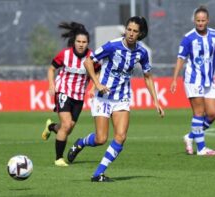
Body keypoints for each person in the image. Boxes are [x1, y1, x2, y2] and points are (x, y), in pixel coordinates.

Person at [67, 16, 165, 182]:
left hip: (122, 98)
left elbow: (147, 77)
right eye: (129, 29)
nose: (131, 33)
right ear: (125, 29)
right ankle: (80, 143)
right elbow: (88, 62)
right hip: (103, 97)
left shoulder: (142, 52)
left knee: (120, 136)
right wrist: (96, 84)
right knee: (101, 139)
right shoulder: (112, 46)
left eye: (135, 31)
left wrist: (156, 101)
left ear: (140, 33)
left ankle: (98, 173)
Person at [170, 6, 215, 156]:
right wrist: (174, 79)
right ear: (194, 20)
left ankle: (190, 136)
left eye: (203, 20)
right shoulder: (188, 38)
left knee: (212, 114)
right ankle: (201, 148)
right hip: (193, 80)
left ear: (208, 20)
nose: (200, 23)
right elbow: (181, 59)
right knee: (199, 112)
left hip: (209, 80)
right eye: (198, 20)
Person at [41, 21, 100, 166]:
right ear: (74, 42)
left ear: (88, 43)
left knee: (67, 129)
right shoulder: (65, 54)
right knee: (66, 125)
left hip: (79, 96)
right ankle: (58, 159)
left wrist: (93, 87)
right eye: (78, 41)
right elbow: (51, 69)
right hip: (63, 91)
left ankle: (51, 127)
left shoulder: (92, 57)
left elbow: (97, 70)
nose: (81, 44)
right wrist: (51, 84)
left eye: (84, 42)